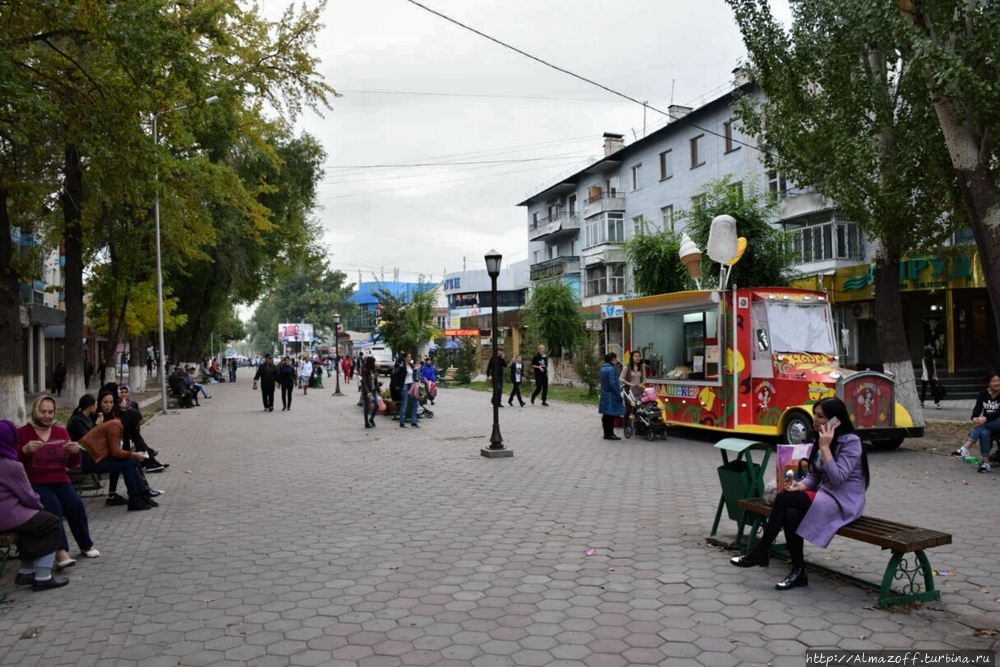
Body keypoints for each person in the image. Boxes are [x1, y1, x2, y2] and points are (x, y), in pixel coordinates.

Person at [731, 397, 868, 590]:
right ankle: (798, 572)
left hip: (843, 502)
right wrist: (801, 485)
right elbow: (814, 475)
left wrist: (825, 447)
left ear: (835, 420)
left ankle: (760, 551)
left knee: (785, 499)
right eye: (815, 415)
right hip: (824, 496)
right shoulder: (821, 438)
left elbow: (838, 478)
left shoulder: (851, 442)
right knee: (790, 513)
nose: (815, 420)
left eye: (820, 416)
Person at [16, 396, 99, 569]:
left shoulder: (60, 432)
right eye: (43, 411)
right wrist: (25, 450)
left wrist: (75, 451)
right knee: (53, 507)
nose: (46, 415)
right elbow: (12, 461)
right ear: (35, 411)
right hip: (35, 482)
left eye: (50, 412)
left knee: (75, 505)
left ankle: (86, 544)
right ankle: (60, 552)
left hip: (60, 479)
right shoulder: (22, 433)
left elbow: (71, 463)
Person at [0, 419, 70, 591]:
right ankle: (43, 576)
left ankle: (26, 571)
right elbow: (27, 496)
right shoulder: (10, 465)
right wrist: (39, 505)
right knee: (52, 522)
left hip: (8, 513)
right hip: (6, 516)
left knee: (33, 524)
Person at [78, 417, 157, 511]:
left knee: (133, 461)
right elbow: (115, 451)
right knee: (129, 464)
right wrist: (134, 454)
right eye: (136, 424)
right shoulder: (115, 426)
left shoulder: (118, 426)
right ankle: (135, 499)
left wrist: (133, 455)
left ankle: (142, 495)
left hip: (95, 457)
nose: (136, 427)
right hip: (90, 459)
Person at [952, 370, 1000, 472]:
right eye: (993, 381)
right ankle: (986, 463)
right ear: (988, 383)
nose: (997, 383)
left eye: (998, 381)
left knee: (983, 423)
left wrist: (985, 419)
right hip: (987, 425)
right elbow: (977, 409)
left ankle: (966, 447)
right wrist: (975, 418)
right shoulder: (983, 393)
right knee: (983, 433)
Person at [599, 353, 624, 440]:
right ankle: (610, 434)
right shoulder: (611, 370)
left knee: (606, 415)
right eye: (616, 359)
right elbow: (613, 383)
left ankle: (606, 433)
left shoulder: (603, 369)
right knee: (611, 415)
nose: (617, 360)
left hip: (605, 394)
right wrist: (618, 394)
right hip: (611, 395)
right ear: (612, 359)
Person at [620, 351, 646, 431]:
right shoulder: (627, 367)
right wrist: (630, 384)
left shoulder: (642, 367)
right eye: (636, 356)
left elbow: (644, 379)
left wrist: (641, 384)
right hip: (629, 391)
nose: (637, 358)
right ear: (632, 357)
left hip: (638, 390)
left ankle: (639, 427)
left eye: (639, 356)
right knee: (628, 409)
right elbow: (621, 378)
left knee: (639, 409)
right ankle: (626, 427)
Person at [399, 353, 420, 428]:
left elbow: (415, 373)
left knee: (415, 403)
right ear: (405, 358)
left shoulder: (411, 365)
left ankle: (414, 421)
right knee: (404, 404)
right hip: (405, 385)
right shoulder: (402, 366)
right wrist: (397, 386)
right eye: (408, 357)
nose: (409, 358)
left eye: (410, 357)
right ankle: (402, 421)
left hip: (412, 385)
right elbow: (395, 375)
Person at [361, 356, 380, 429]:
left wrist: (379, 389)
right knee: (367, 407)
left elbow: (375, 381)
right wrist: (368, 392)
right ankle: (366, 422)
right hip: (368, 391)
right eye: (374, 362)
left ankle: (371, 418)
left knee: (377, 405)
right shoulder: (365, 370)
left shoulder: (373, 370)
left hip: (374, 390)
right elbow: (364, 382)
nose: (375, 364)